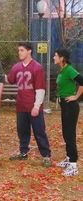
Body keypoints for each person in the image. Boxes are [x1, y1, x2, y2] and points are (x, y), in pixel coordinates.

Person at [7, 42, 52, 167]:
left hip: (33, 106)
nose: (19, 52)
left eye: (22, 50)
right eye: (19, 50)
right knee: (22, 131)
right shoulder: (16, 67)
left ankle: (46, 155)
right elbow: (10, 79)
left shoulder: (37, 67)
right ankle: (23, 152)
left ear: (29, 51)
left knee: (39, 131)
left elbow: (40, 89)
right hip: (21, 106)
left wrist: (37, 106)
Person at [54, 48, 83, 176]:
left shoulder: (69, 69)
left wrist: (76, 97)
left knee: (70, 135)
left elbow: (81, 81)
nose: (53, 58)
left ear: (62, 58)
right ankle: (68, 158)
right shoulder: (63, 70)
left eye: (55, 56)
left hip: (71, 106)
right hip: (64, 105)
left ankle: (73, 165)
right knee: (66, 133)